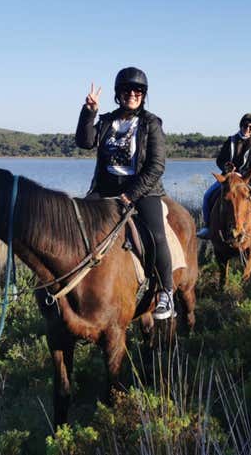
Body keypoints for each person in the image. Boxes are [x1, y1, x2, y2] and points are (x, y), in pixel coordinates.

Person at [75, 67, 174, 320]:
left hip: (143, 191)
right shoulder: (108, 121)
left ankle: (166, 292)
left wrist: (132, 194)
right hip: (105, 189)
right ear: (118, 93)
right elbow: (85, 142)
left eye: (138, 90)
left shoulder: (151, 123)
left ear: (144, 95)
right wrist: (89, 112)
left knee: (156, 235)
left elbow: (156, 165)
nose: (133, 93)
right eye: (127, 90)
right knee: (76, 225)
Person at [196, 113, 251, 240]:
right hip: (229, 177)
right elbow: (220, 160)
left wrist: (244, 175)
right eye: (245, 126)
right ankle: (208, 227)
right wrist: (226, 168)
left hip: (249, 177)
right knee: (207, 195)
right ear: (241, 125)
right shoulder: (231, 140)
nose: (247, 129)